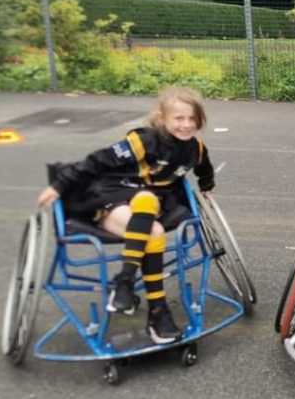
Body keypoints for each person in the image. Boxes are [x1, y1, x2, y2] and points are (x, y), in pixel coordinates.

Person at [36, 86, 216, 344]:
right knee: (147, 203)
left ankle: (140, 296)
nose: (187, 125)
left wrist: (207, 185)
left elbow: (204, 168)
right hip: (112, 194)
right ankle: (146, 300)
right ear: (161, 118)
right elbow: (97, 161)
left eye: (192, 119)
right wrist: (59, 185)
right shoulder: (144, 141)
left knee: (153, 224)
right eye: (179, 118)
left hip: (149, 203)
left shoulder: (195, 148)